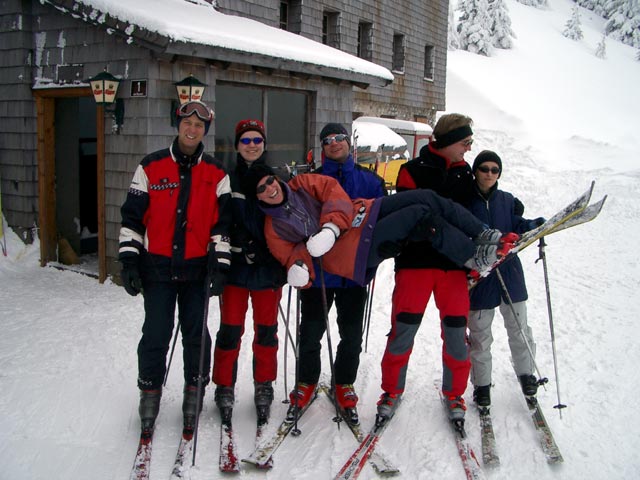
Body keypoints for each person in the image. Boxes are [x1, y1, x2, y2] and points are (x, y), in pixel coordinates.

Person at [242, 164, 515, 308]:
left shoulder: (299, 184)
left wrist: (331, 227)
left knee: (427, 197)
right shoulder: (273, 228)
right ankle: (472, 258)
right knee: (420, 213)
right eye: (261, 189)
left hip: (362, 213)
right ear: (257, 198)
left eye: (269, 181)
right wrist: (299, 270)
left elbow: (333, 192)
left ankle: (483, 233)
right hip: (353, 251)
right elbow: (293, 257)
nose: (269, 189)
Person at [118, 100, 232, 436]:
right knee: (156, 332)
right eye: (187, 122)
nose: (192, 129)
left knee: (196, 334)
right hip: (158, 268)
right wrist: (129, 260)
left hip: (197, 270)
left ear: (205, 131)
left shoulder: (217, 173)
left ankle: (194, 391)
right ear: (178, 124)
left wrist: (220, 264)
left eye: (199, 125)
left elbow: (222, 224)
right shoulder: (150, 166)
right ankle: (149, 392)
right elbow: (132, 217)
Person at [377, 113, 478, 424]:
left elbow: (473, 220)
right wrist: (448, 233)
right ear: (448, 142)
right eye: (465, 142)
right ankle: (391, 390)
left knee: (456, 334)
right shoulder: (412, 171)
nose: (469, 148)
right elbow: (412, 222)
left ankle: (454, 393)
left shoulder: (467, 176)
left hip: (454, 270)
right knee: (402, 331)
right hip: (416, 265)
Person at [290, 123, 387, 425]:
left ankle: (344, 383)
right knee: (311, 331)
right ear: (322, 147)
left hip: (353, 273)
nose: (334, 143)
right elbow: (294, 222)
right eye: (328, 140)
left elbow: (382, 226)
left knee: (351, 334)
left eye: (339, 138)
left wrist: (372, 264)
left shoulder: (370, 181)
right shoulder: (310, 180)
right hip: (319, 273)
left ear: (349, 142)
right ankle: (306, 381)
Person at [211, 119, 286, 424]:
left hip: (268, 270)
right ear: (237, 145)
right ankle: (224, 386)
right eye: (246, 140)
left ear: (264, 144)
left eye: (257, 140)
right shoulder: (227, 178)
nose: (252, 145)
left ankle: (264, 385)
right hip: (235, 269)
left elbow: (286, 222)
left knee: (266, 332)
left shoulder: (277, 177)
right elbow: (219, 220)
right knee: (230, 330)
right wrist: (231, 244)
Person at [467, 150, 546, 407]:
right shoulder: (465, 202)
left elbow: (517, 225)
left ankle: (527, 376)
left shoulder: (507, 200)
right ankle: (481, 385)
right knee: (480, 336)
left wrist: (537, 225)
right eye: (484, 168)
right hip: (481, 276)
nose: (490, 173)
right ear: (475, 170)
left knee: (520, 329)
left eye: (495, 170)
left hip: (510, 273)